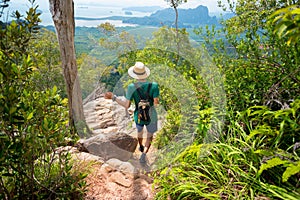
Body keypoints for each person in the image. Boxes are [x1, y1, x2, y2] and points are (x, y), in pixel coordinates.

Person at [104, 62, 160, 164]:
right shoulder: (154, 86)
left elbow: (127, 105)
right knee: (149, 136)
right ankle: (144, 154)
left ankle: (141, 145)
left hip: (138, 116)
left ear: (135, 74)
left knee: (139, 132)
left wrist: (114, 97)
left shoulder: (131, 87)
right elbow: (156, 103)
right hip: (152, 116)